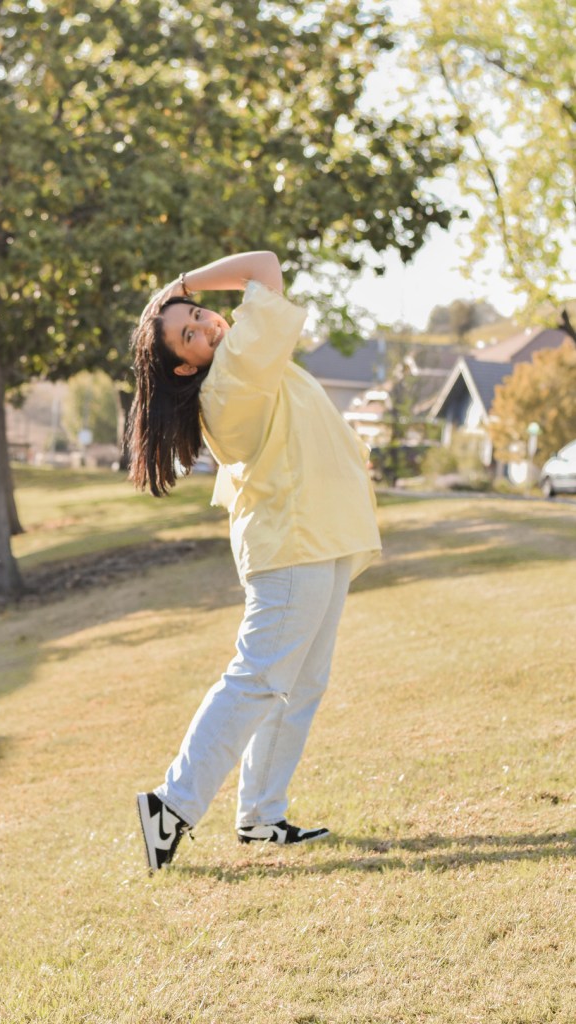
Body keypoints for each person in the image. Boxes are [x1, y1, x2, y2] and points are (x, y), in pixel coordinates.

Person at [128, 251, 381, 872]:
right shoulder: (236, 370)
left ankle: (262, 816)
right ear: (184, 365)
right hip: (293, 546)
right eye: (189, 333)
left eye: (198, 314)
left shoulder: (239, 362)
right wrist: (181, 284)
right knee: (259, 679)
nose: (206, 325)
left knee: (298, 684)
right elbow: (265, 268)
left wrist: (178, 298)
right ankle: (171, 804)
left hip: (316, 535)